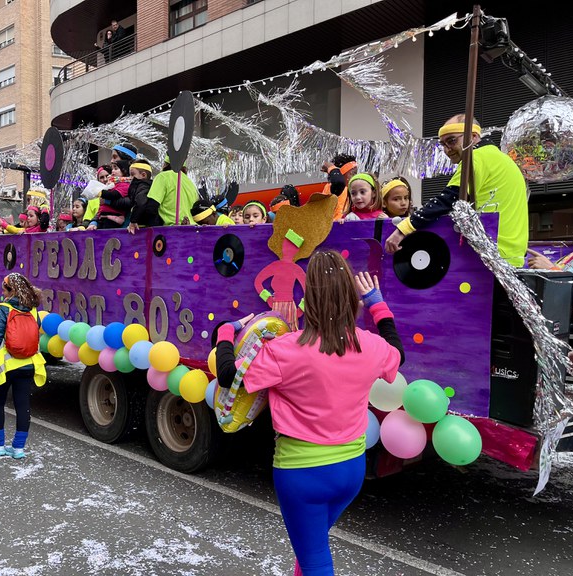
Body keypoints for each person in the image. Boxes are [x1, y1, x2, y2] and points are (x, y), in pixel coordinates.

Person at [216, 252, 404, 576]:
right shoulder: (370, 346)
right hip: (351, 471)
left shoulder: (284, 350)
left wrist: (224, 332)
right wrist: (377, 304)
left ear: (309, 298)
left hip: (303, 475)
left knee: (316, 559)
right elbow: (398, 354)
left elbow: (227, 377)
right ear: (349, 295)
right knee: (311, 550)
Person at [385, 114, 529, 266]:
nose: (447, 150)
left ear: (473, 136)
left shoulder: (476, 157)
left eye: (452, 141)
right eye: (443, 144)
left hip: (493, 255)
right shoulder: (501, 159)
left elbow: (449, 199)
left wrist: (403, 229)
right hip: (513, 257)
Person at [0, 273, 46, 459]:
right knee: (23, 405)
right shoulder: (33, 311)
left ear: (12, 290)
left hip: (5, 365)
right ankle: (18, 448)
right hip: (28, 365)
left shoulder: (3, 309)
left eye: (4, 289)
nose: (2, 293)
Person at [132, 155, 198, 232]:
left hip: (171, 230)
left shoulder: (163, 177)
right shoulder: (190, 183)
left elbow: (151, 207)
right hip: (192, 229)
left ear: (165, 164)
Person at [116, 159, 160, 234]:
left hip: (144, 226)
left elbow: (140, 202)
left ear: (143, 175)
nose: (130, 177)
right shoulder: (145, 186)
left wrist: (133, 221)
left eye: (132, 174)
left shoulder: (142, 186)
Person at [89, 160, 132, 229]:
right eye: (112, 169)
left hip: (113, 217)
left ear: (124, 171)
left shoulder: (124, 184)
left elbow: (114, 195)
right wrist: (94, 221)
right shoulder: (113, 183)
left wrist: (101, 192)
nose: (112, 171)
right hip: (102, 217)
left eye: (115, 168)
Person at [321, 154, 358, 220]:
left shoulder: (354, 191)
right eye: (353, 173)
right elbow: (338, 181)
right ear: (342, 173)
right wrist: (332, 168)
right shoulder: (333, 187)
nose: (356, 177)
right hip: (334, 228)